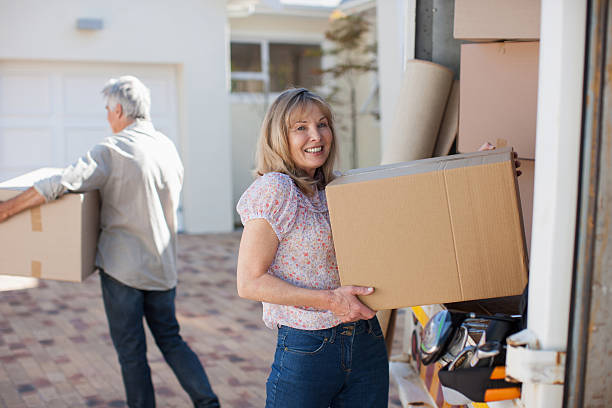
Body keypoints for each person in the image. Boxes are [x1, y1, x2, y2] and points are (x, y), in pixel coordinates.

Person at [0, 76, 220, 408]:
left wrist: (8, 208)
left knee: (132, 355)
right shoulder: (166, 147)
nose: (107, 116)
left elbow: (62, 181)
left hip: (123, 273)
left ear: (118, 110)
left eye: (107, 109)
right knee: (172, 341)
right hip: (163, 269)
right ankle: (208, 403)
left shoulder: (112, 149)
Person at [236, 88, 389, 408]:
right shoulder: (276, 190)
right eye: (301, 127)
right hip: (309, 349)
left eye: (323, 124)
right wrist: (331, 300)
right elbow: (250, 282)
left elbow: (410, 206)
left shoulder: (335, 188)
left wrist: (475, 171)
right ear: (279, 137)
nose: (316, 135)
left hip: (366, 342)